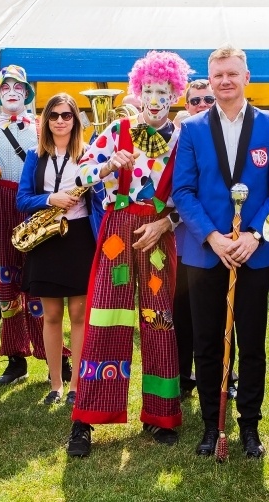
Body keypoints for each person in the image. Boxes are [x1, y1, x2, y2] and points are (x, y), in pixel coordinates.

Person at [66, 51, 192, 457]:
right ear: (138, 91)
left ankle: (161, 415)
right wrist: (107, 166)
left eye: (163, 91)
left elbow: (189, 196)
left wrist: (166, 223)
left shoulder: (184, 138)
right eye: (149, 90)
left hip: (158, 233)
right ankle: (87, 417)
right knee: (105, 317)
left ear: (175, 94)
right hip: (117, 233)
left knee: (159, 320)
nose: (155, 99)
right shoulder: (117, 130)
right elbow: (80, 175)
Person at [173, 44, 269, 459]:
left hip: (253, 253)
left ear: (246, 77)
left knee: (253, 342)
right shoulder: (191, 129)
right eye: (218, 75)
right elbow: (183, 191)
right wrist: (213, 236)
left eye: (232, 73)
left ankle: (249, 426)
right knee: (207, 341)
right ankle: (212, 424)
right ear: (210, 79)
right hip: (207, 253)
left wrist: (254, 235)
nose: (225, 80)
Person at [0, 65, 59, 386]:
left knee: (41, 279)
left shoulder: (42, 124)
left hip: (35, 204)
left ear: (27, 93)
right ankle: (15, 358)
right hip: (0, 206)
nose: (12, 92)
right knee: (6, 280)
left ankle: (53, 356)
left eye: (19, 87)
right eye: (6, 87)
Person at [16, 93, 95, 405]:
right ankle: (55, 384)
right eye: (54, 115)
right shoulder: (34, 156)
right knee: (51, 314)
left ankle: (76, 385)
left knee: (78, 313)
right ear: (45, 120)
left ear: (75, 120)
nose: (60, 121)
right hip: (46, 238)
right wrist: (51, 199)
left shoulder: (89, 153)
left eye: (66, 115)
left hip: (79, 237)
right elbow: (22, 199)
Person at [172, 79, 215, 401]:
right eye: (196, 100)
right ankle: (182, 376)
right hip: (180, 240)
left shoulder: (228, 136)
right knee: (181, 313)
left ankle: (221, 374)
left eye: (208, 99)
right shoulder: (176, 138)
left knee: (218, 311)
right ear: (186, 105)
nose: (202, 105)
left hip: (216, 238)